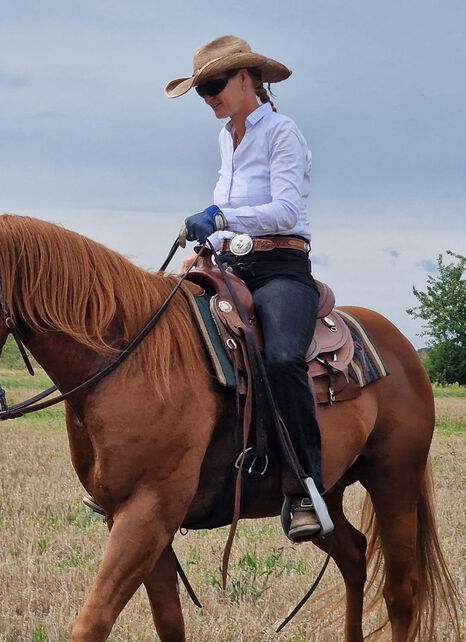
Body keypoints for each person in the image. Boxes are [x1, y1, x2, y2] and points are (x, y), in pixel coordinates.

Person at [166, 35, 322, 541]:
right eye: (200, 90)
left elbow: (286, 211)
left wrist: (221, 215)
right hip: (230, 265)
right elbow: (227, 219)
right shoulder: (225, 139)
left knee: (280, 359)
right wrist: (207, 239)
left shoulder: (282, 132)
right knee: (168, 332)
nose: (208, 96)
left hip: (281, 267)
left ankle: (305, 488)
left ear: (246, 78)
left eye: (213, 85)